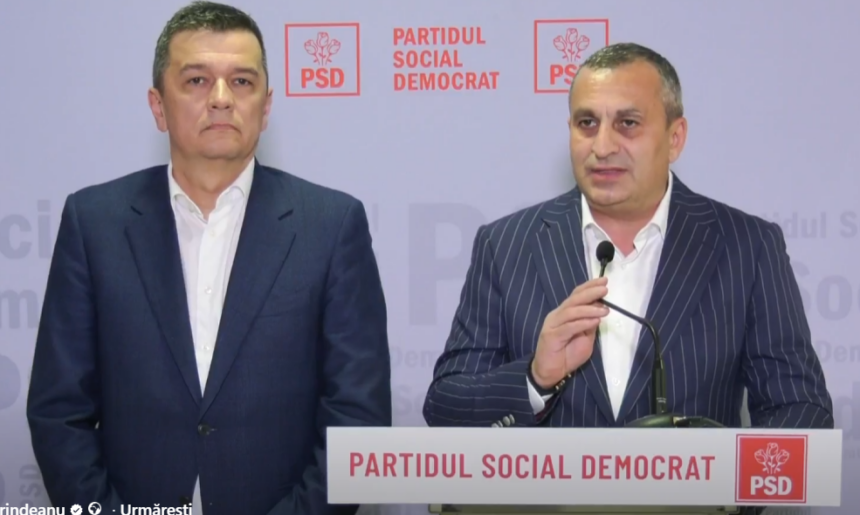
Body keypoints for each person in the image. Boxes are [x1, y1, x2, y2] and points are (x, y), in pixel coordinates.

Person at [26, 2, 391, 514]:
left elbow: (358, 418)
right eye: (196, 80)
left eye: (242, 82)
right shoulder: (94, 222)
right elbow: (58, 410)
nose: (221, 99)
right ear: (158, 105)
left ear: (266, 107)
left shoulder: (331, 226)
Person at [423, 43, 833, 433]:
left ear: (675, 138)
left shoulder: (747, 247)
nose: (602, 146)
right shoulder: (507, 244)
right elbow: (445, 405)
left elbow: (798, 408)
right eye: (587, 123)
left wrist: (725, 498)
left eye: (628, 124)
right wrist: (535, 378)